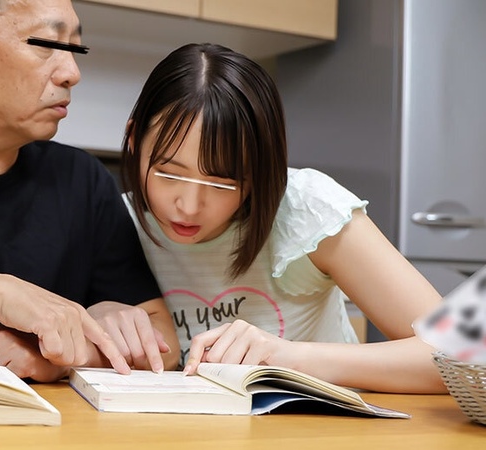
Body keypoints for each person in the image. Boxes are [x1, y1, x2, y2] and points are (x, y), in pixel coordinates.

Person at [120, 42, 447, 393]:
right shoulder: (115, 220)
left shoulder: (307, 209)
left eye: (221, 182)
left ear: (260, 171)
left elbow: (463, 351)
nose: (188, 205)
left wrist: (289, 358)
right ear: (135, 139)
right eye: (169, 173)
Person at [0, 0, 179, 382]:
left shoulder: (82, 180)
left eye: (75, 48)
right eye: (46, 43)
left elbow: (165, 345)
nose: (71, 73)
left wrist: (61, 357)